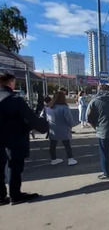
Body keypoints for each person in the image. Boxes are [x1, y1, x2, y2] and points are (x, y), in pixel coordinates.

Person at [0, 72, 49, 205]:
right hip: (14, 139)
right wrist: (45, 126)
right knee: (14, 167)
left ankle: (0, 196)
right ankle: (15, 195)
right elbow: (32, 119)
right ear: (11, 83)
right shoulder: (15, 99)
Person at [45, 91, 78, 166]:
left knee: (53, 144)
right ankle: (70, 159)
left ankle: (53, 159)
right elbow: (69, 119)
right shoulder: (64, 107)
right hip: (63, 128)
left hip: (52, 128)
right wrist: (70, 126)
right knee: (67, 144)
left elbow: (44, 117)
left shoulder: (48, 107)